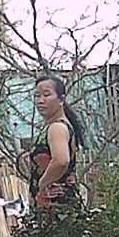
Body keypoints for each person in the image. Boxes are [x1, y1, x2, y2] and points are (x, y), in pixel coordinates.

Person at [29, 76, 87, 208]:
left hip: (56, 205)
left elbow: (61, 161)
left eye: (46, 95)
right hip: (56, 205)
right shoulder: (55, 126)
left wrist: (42, 183)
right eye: (37, 96)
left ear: (61, 99)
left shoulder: (57, 127)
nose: (40, 100)